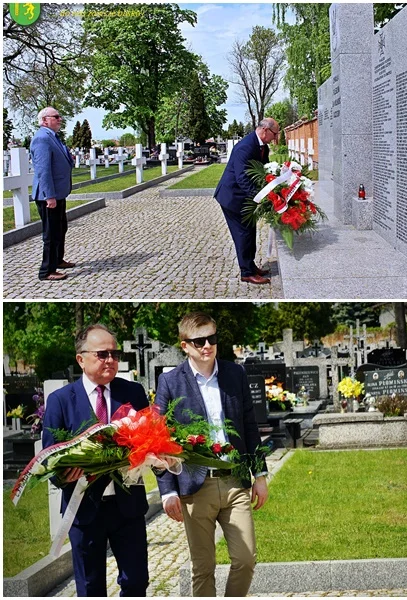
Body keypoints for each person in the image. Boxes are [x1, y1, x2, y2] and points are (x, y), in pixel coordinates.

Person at [155, 312, 268, 596]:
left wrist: (261, 473)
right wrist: (168, 491)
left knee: (245, 559)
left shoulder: (235, 374)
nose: (207, 345)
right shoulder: (170, 382)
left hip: (235, 483)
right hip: (195, 487)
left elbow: (249, 427)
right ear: (184, 345)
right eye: (199, 340)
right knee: (203, 568)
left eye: (212, 338)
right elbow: (158, 440)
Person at [42, 324, 150, 596]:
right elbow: (50, 456)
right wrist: (63, 474)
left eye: (114, 354)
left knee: (136, 581)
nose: (111, 360)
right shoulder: (60, 401)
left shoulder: (133, 392)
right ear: (81, 358)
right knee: (90, 588)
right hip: (85, 508)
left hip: (128, 506)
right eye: (102, 354)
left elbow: (150, 437)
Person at [214, 118, 280, 285]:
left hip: (244, 198)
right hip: (233, 197)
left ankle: (250, 265)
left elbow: (264, 169)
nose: (276, 137)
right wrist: (261, 197)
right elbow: (242, 178)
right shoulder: (245, 147)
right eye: (275, 133)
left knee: (250, 232)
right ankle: (246, 272)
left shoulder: (262, 146)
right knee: (243, 235)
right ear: (265, 130)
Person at [30, 106, 76, 281]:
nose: (60, 119)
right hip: (48, 196)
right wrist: (49, 196)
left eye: (59, 116)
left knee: (60, 228)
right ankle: (46, 271)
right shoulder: (42, 138)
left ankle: (58, 260)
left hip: (58, 193)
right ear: (44, 120)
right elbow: (43, 170)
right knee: (50, 233)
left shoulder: (52, 137)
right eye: (56, 116)